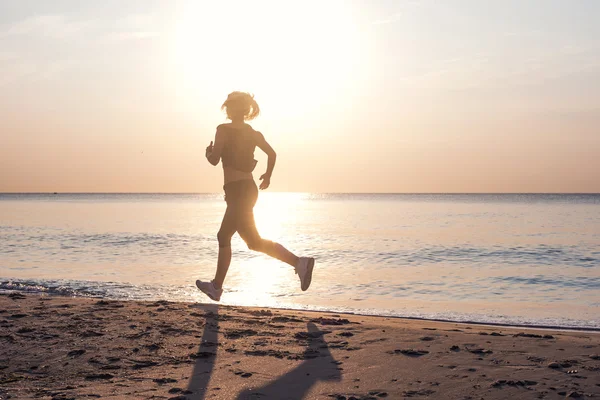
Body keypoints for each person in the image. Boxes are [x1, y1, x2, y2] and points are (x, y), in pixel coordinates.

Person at [196, 92, 315, 301]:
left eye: (229, 107)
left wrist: (208, 153)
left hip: (238, 191)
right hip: (247, 190)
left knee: (223, 236)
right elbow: (272, 153)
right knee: (254, 242)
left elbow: (214, 160)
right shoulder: (253, 133)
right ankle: (299, 263)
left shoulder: (222, 130)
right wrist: (267, 176)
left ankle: (216, 287)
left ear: (231, 109)